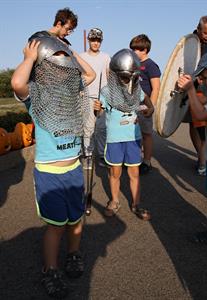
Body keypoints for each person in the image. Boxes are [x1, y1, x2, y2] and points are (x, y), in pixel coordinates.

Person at [11, 8, 96, 299]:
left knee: (75, 222)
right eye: (56, 67)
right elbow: (17, 83)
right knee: (55, 227)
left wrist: (68, 51)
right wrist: (30, 58)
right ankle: (50, 269)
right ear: (44, 69)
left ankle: (73, 256)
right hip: (49, 172)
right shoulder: (37, 96)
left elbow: (90, 73)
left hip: (73, 168)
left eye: (65, 69)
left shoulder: (70, 91)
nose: (63, 73)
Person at [94, 49, 154, 221]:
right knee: (115, 172)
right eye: (122, 76)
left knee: (134, 174)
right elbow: (98, 114)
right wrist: (96, 109)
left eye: (129, 76)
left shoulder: (137, 90)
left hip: (133, 139)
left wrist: (150, 109)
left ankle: (136, 203)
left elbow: (148, 102)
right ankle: (114, 200)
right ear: (115, 74)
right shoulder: (106, 92)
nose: (125, 80)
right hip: (114, 140)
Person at [177, 49, 207, 245]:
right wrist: (184, 90)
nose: (202, 82)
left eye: (204, 78)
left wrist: (190, 90)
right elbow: (202, 101)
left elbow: (199, 114)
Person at [184, 15, 207, 176]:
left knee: (205, 124)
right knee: (193, 123)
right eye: (206, 33)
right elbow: (183, 64)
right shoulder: (188, 43)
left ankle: (203, 158)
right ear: (198, 29)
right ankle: (201, 156)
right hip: (192, 87)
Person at [129, 34, 161, 175]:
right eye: (133, 49)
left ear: (145, 49)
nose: (134, 52)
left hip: (145, 106)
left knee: (146, 134)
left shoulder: (151, 65)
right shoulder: (133, 65)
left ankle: (147, 161)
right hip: (132, 105)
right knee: (132, 134)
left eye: (137, 49)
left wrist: (151, 107)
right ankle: (133, 160)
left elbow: (156, 88)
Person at [80, 28, 110, 169]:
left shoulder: (106, 57)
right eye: (93, 40)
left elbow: (109, 76)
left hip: (102, 97)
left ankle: (102, 156)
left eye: (98, 40)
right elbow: (78, 76)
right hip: (86, 96)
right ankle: (88, 155)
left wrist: (108, 96)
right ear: (89, 40)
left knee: (102, 128)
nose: (95, 43)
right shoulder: (82, 57)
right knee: (88, 128)